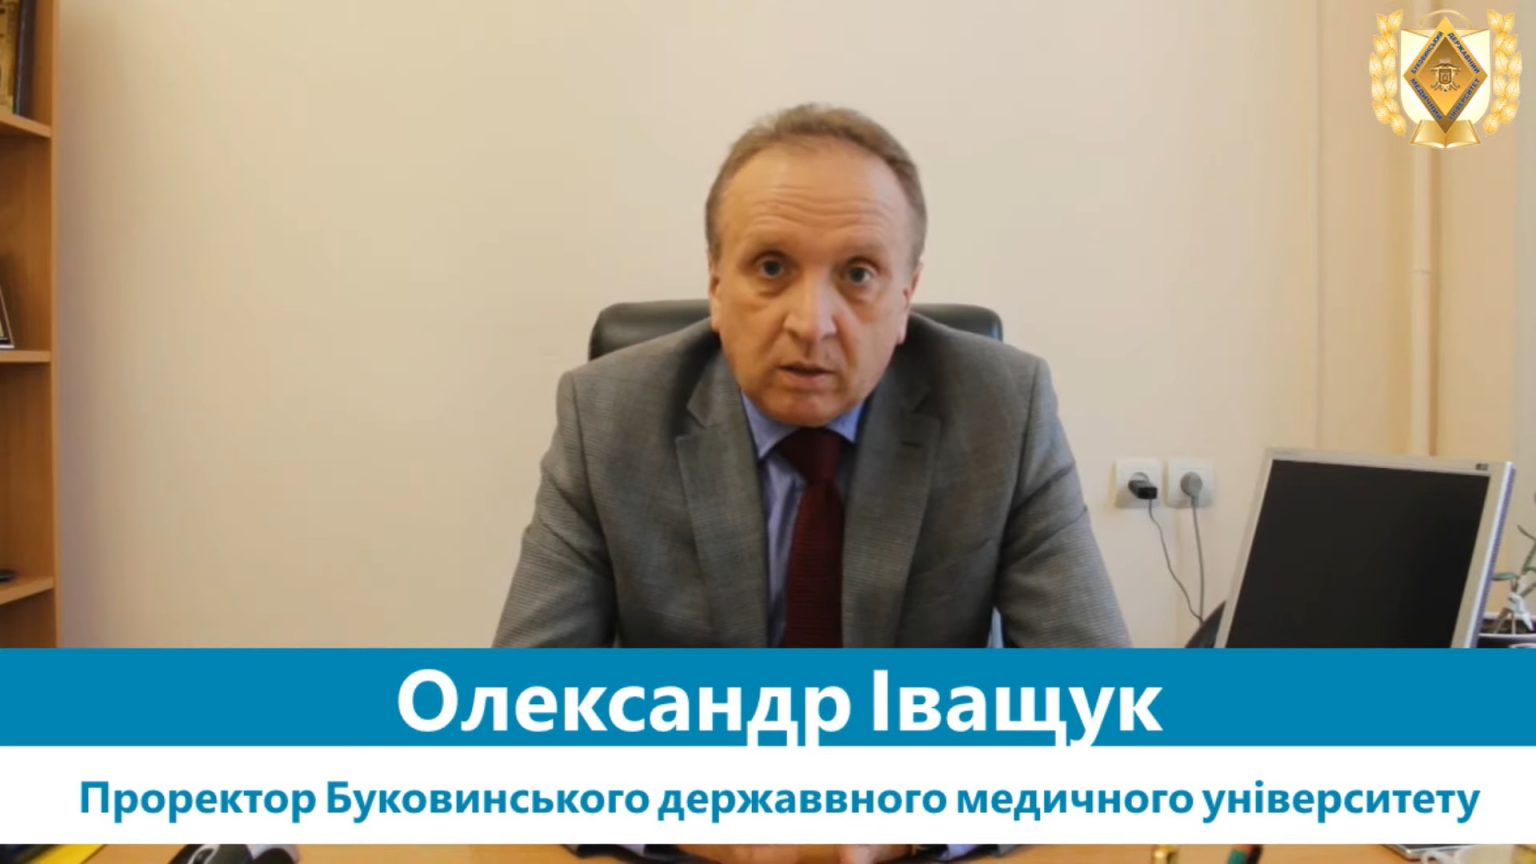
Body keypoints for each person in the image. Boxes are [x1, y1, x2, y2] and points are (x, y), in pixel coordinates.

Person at [494, 104, 1130, 862]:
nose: (812, 322)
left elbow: (1102, 717)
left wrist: (901, 825)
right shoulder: (608, 416)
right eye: (771, 268)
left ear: (905, 298)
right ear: (716, 284)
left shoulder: (1002, 410)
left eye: (858, 275)